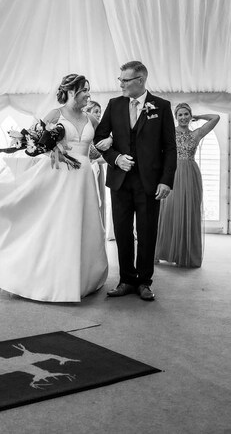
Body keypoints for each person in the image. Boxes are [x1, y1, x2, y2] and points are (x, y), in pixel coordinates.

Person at [0, 74, 109, 302]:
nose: (88, 95)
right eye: (85, 90)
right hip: (61, 178)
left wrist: (108, 144)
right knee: (60, 225)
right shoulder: (55, 115)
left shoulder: (91, 119)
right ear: (71, 91)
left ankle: (84, 278)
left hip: (84, 177)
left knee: (84, 225)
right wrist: (53, 151)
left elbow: (97, 147)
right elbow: (34, 143)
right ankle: (55, 279)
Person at [94, 60, 177, 301]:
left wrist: (166, 180)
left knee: (147, 232)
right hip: (120, 181)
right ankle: (126, 280)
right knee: (122, 232)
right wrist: (116, 158)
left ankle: (144, 282)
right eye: (120, 80)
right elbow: (99, 138)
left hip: (149, 183)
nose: (120, 84)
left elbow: (170, 147)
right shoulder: (114, 104)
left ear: (140, 80)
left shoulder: (161, 106)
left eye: (125, 80)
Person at [155, 104, 220, 268]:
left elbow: (216, 118)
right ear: (175, 117)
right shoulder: (169, 133)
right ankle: (164, 251)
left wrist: (199, 116)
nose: (183, 117)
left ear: (190, 116)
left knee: (189, 211)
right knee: (169, 211)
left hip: (191, 174)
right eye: (180, 115)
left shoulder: (196, 134)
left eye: (186, 114)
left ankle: (184, 254)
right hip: (173, 173)